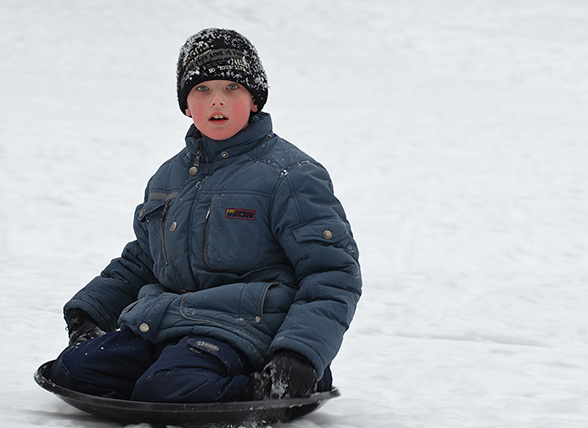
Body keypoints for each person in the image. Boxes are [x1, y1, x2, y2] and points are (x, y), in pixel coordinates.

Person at [50, 28, 362, 403]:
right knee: (73, 371)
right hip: (164, 323)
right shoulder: (169, 177)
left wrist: (299, 354)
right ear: (185, 105)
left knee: (166, 388)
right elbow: (144, 258)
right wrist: (90, 310)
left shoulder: (290, 175)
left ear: (254, 101)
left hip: (244, 329)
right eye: (202, 90)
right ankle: (174, 373)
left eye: (232, 88)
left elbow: (331, 273)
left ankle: (265, 386)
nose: (217, 101)